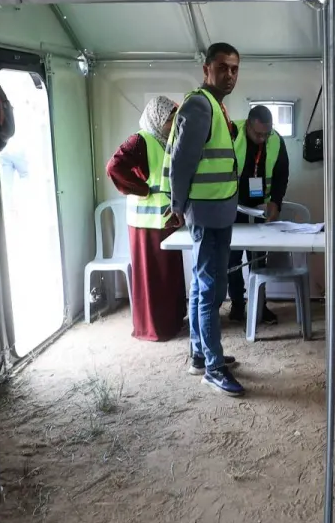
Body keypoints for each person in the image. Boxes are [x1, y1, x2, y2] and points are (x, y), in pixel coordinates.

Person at [164, 43, 245, 396]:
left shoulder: (216, 106)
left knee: (203, 285)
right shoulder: (199, 104)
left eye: (235, 69)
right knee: (212, 290)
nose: (230, 74)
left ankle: (201, 354)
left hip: (219, 211)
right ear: (206, 68)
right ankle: (212, 366)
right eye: (223, 67)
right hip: (207, 213)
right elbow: (183, 162)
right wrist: (177, 205)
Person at [105, 96, 185, 341]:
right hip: (146, 224)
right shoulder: (140, 140)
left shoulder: (167, 141)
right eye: (170, 119)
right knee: (152, 277)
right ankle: (153, 328)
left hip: (166, 219)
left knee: (169, 274)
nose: (173, 123)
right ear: (157, 118)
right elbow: (114, 167)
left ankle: (172, 321)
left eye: (174, 118)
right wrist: (141, 189)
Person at [227, 105, 289, 324]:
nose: (262, 138)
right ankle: (237, 305)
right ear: (248, 125)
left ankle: (260, 306)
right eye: (257, 134)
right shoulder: (231, 132)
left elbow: (282, 174)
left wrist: (276, 202)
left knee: (259, 259)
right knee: (232, 259)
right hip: (233, 206)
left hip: (261, 208)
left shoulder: (276, 141)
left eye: (267, 133)